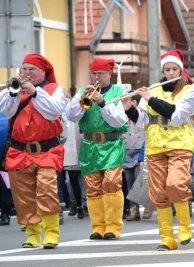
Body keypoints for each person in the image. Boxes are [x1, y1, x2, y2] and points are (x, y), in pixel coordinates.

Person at [125, 50, 194, 251]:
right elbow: (142, 121)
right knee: (158, 193)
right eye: (168, 70)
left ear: (180, 71)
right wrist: (129, 108)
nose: (171, 73)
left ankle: (185, 227)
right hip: (155, 146)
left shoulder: (190, 90)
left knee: (175, 185)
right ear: (163, 72)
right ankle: (167, 238)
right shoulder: (154, 90)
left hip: (179, 144)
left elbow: (176, 114)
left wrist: (149, 98)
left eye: (175, 69)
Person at [0, 53, 66, 248]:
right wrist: (13, 93)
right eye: (24, 69)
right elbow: (6, 111)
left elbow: (53, 111)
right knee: (24, 195)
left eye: (31, 69)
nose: (26, 73)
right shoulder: (15, 89)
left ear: (42, 71)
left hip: (46, 150)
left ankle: (51, 233)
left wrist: (35, 92)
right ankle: (32, 235)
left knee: (46, 190)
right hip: (19, 150)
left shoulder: (55, 90)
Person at [66, 58, 129, 240]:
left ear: (109, 74)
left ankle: (113, 226)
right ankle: (98, 226)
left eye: (101, 73)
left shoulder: (119, 92)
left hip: (111, 144)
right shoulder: (83, 92)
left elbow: (118, 121)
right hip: (89, 145)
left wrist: (102, 102)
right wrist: (80, 99)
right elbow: (72, 116)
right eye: (94, 73)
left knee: (111, 184)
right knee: (92, 187)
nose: (97, 77)